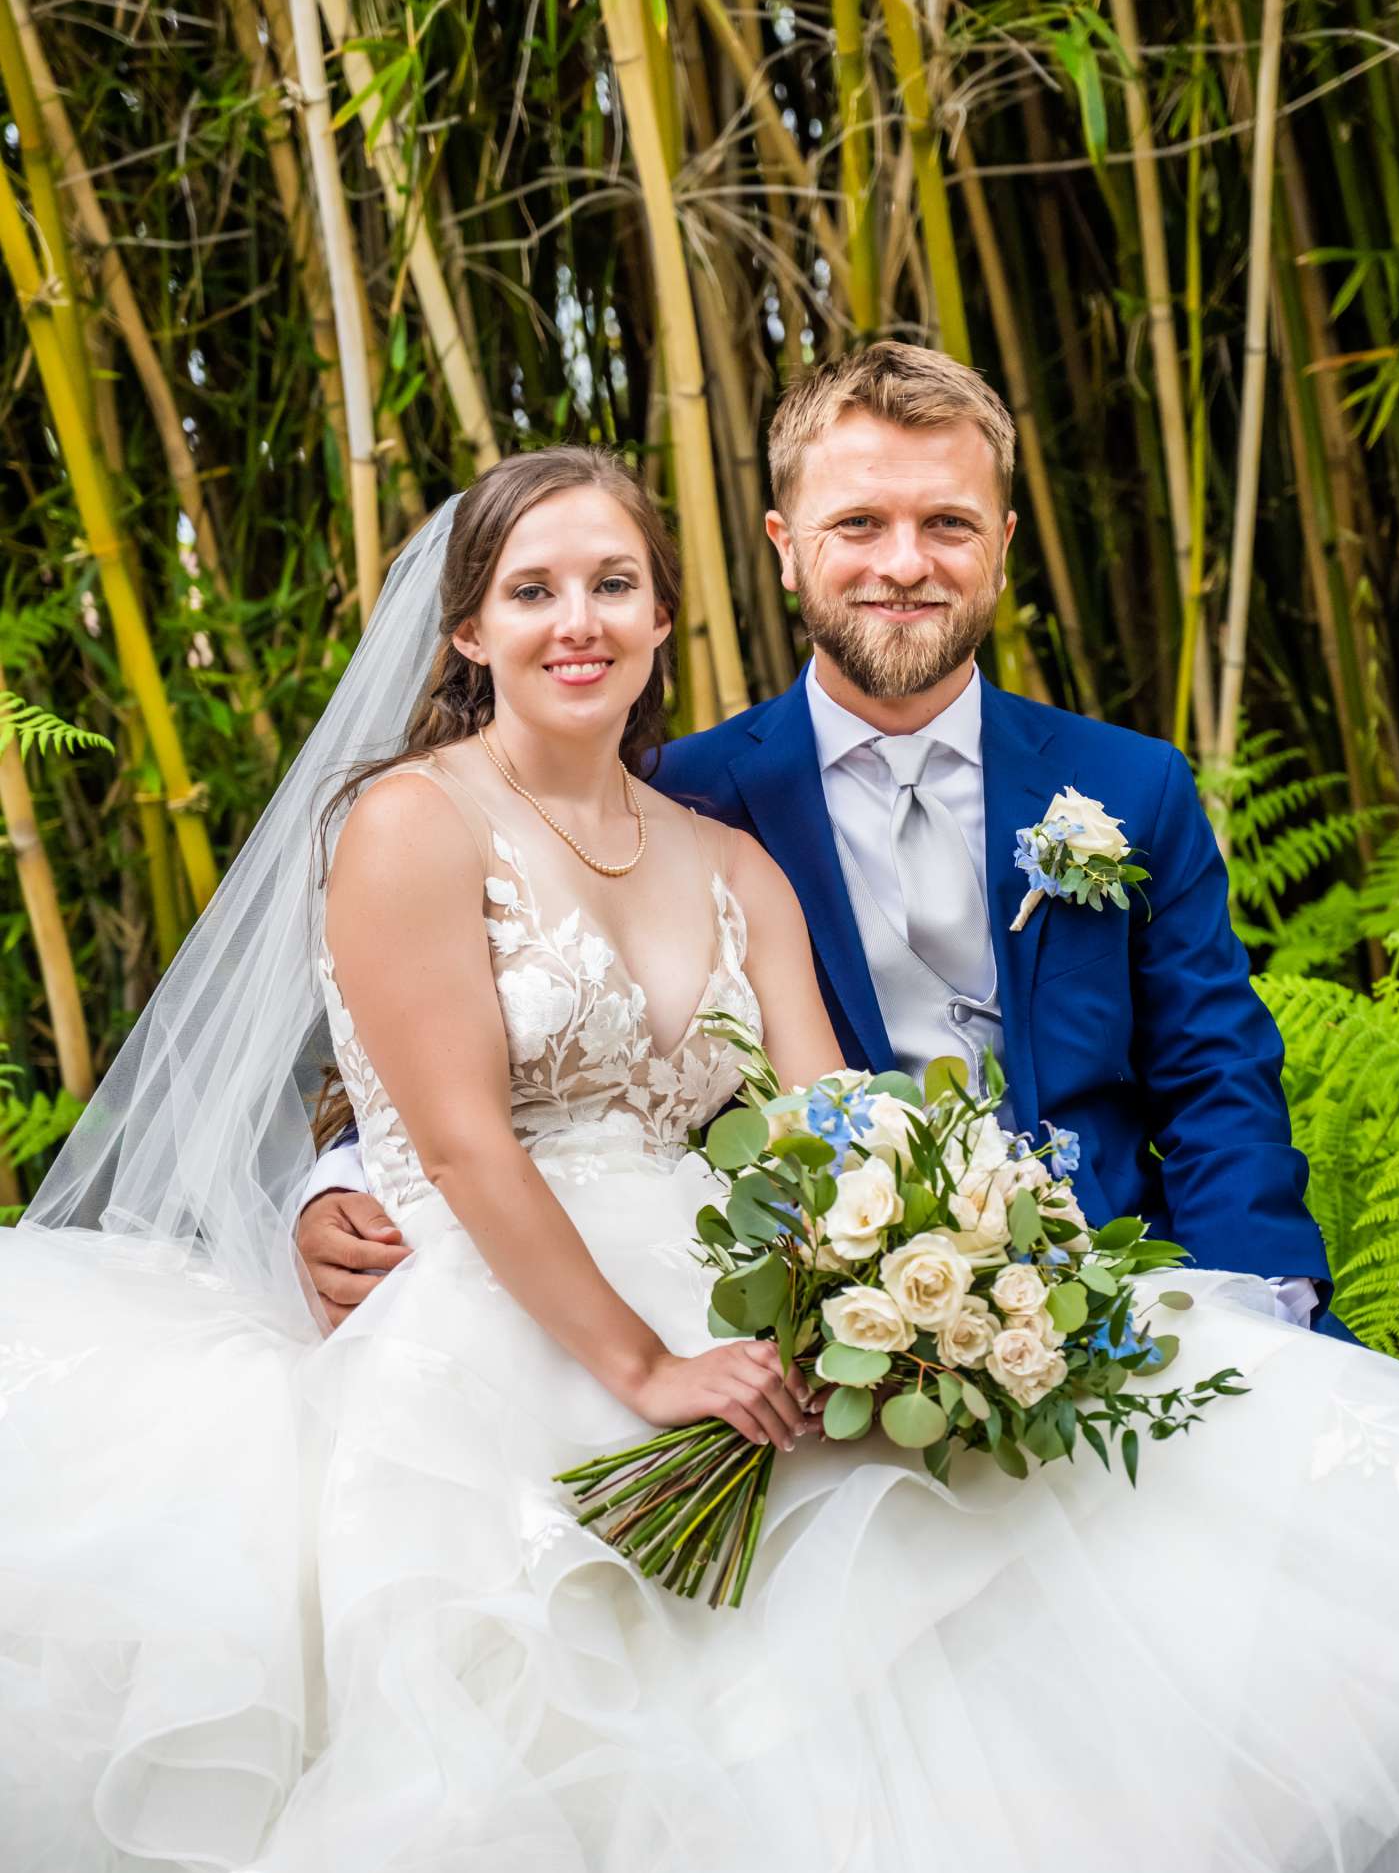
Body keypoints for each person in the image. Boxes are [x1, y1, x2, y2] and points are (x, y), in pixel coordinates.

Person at [3, 444, 1399, 1873]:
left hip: (727, 1285)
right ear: (466, 630)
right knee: (619, 1735)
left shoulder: (722, 854)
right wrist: (646, 1365)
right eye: (535, 589)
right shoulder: (410, 823)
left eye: (614, 583)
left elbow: (839, 1123)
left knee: (1112, 1533)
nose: (580, 619)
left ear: (667, 612)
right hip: (501, 1324)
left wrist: (931, 1284)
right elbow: (466, 1143)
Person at [299, 344, 1342, 1348]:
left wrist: (1262, 1307)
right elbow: (504, 1047)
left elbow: (1217, 1078)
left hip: (1125, 1285)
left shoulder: (1129, 786)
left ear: (1004, 545)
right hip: (815, 1314)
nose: (904, 563)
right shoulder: (676, 801)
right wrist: (347, 1179)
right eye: (858, 523)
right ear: (784, 546)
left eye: (948, 523)